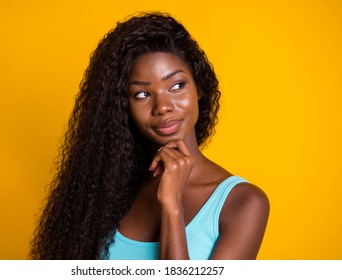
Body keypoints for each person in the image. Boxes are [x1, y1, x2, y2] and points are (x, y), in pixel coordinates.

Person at [30, 12, 269, 260]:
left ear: (199, 87)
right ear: (124, 106)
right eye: (142, 94)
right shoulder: (108, 188)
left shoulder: (243, 203)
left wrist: (172, 204)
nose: (162, 106)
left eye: (176, 86)